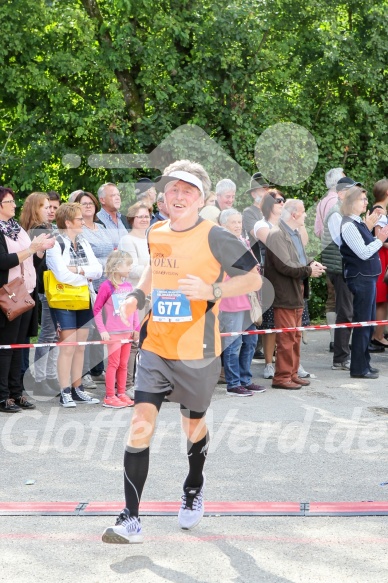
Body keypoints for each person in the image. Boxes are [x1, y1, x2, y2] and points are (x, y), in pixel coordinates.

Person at [101, 163, 261, 544]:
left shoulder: (217, 236)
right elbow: (153, 273)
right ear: (163, 196)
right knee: (140, 424)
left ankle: (193, 487)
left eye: (187, 190)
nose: (178, 195)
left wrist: (212, 292)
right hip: (156, 344)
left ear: (202, 198)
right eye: (172, 189)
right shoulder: (156, 231)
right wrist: (138, 297)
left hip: (198, 351)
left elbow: (255, 277)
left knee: (194, 428)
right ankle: (131, 518)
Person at [0, 187, 54, 413]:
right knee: (6, 347)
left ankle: (16, 392)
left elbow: (33, 264)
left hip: (27, 292)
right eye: (10, 201)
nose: (14, 205)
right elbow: (3, 261)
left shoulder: (17, 229)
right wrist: (31, 248)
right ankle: (2, 397)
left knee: (20, 346)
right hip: (8, 294)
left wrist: (39, 251)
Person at [46, 203, 103, 407]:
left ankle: (78, 389)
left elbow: (98, 270)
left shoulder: (84, 242)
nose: (83, 221)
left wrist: (78, 270)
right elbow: (61, 275)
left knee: (80, 347)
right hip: (63, 301)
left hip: (84, 298)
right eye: (79, 219)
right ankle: (65, 391)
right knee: (68, 347)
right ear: (68, 222)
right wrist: (84, 274)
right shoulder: (55, 244)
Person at [265, 199, 326, 390]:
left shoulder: (295, 234)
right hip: (284, 294)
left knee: (295, 337)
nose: (306, 215)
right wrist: (308, 271)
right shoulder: (276, 235)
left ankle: (291, 374)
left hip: (296, 292)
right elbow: (285, 264)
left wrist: (310, 263)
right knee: (286, 338)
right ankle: (282, 377)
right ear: (294, 215)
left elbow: (298, 258)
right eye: (303, 211)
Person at [340, 187, 388, 379]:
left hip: (368, 278)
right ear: (351, 202)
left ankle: (364, 363)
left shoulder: (358, 223)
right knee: (363, 323)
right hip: (360, 279)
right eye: (362, 199)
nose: (366, 202)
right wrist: (380, 239)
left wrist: (369, 227)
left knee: (368, 322)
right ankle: (359, 368)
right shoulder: (348, 225)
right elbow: (363, 252)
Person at [218, 208, 266, 396]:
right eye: (233, 223)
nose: (238, 226)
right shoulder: (221, 246)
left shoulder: (243, 242)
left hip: (248, 298)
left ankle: (245, 379)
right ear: (223, 226)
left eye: (239, 222)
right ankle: (233, 383)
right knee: (233, 343)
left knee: (251, 341)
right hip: (232, 300)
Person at [321, 177, 364, 371]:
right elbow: (343, 242)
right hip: (340, 268)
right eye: (351, 190)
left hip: (344, 266)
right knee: (345, 311)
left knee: (347, 310)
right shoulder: (336, 214)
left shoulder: (344, 212)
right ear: (340, 194)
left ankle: (343, 355)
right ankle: (340, 358)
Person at [20, 192, 60, 396]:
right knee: (46, 335)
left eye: (52, 207)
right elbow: (38, 265)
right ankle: (38, 378)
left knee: (48, 335)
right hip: (43, 288)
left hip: (43, 287)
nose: (50, 210)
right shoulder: (37, 231)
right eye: (46, 206)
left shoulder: (42, 228)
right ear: (35, 208)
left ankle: (45, 377)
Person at [74, 190, 115, 387]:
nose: (88, 205)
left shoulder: (102, 226)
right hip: (90, 285)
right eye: (83, 203)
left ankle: (98, 369)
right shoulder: (79, 229)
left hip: (108, 284)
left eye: (90, 202)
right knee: (89, 329)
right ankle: (85, 372)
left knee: (102, 328)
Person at [93, 250, 139, 408]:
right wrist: (103, 330)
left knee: (124, 364)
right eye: (128, 264)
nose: (130, 268)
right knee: (113, 363)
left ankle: (121, 392)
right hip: (113, 333)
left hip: (127, 332)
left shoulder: (128, 285)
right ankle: (109, 395)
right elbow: (97, 309)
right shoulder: (106, 286)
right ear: (117, 266)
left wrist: (136, 327)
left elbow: (134, 308)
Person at [118, 201, 152, 388]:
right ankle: (128, 384)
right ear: (132, 219)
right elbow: (130, 269)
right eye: (140, 216)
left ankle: (146, 380)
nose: (144, 219)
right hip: (134, 295)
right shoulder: (127, 239)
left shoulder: (152, 237)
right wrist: (156, 268)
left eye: (146, 215)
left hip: (153, 295)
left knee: (149, 341)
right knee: (133, 342)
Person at [253, 190, 285, 379]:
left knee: (291, 321)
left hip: (288, 276)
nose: (283, 203)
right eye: (279, 201)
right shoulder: (260, 224)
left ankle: (291, 362)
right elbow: (275, 243)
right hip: (269, 278)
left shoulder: (287, 224)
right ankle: (268, 364)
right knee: (270, 323)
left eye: (284, 200)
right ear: (268, 205)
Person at [314, 168, 345, 351]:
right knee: (339, 297)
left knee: (332, 296)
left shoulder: (322, 201)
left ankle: (335, 339)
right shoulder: (335, 201)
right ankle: (338, 341)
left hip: (326, 252)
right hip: (337, 254)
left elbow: (319, 231)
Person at [370, 179, 388, 347]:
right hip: (381, 255)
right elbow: (379, 238)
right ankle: (378, 335)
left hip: (381, 254)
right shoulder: (380, 211)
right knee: (381, 298)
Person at [96, 183, 130, 247]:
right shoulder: (95, 221)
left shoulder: (125, 219)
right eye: (113, 195)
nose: (117, 198)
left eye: (118, 195)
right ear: (102, 200)